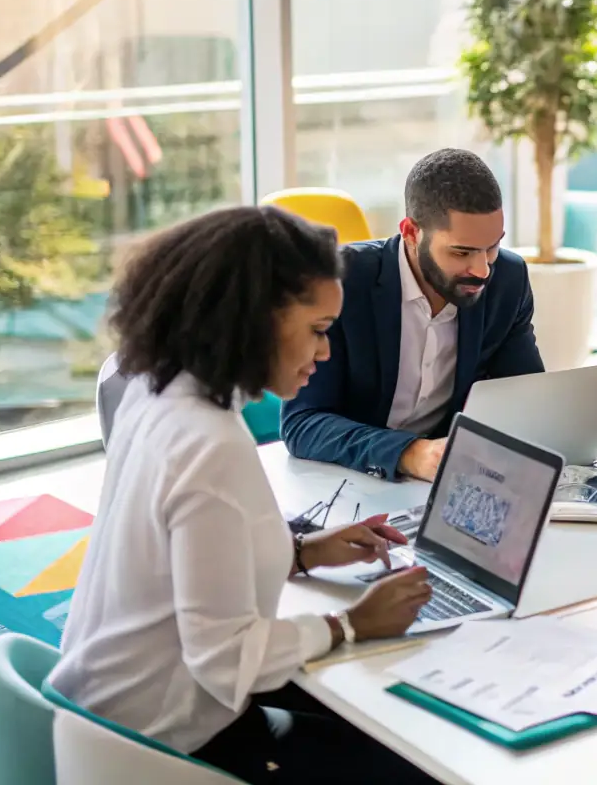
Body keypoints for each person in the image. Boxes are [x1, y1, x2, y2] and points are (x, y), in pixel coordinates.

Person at [49, 206, 439, 783]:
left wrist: (302, 551)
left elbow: (184, 547)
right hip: (162, 751)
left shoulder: (155, 386)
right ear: (252, 320)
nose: (326, 352)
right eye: (317, 330)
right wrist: (351, 624)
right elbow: (227, 661)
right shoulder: (211, 444)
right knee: (410, 751)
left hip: (98, 716)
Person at [283, 149, 543, 481]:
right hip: (348, 480)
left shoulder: (509, 279)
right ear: (410, 233)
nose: (482, 269)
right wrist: (409, 453)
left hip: (447, 480)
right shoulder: (342, 282)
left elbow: (526, 398)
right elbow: (303, 422)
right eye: (461, 252)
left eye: (492, 246)